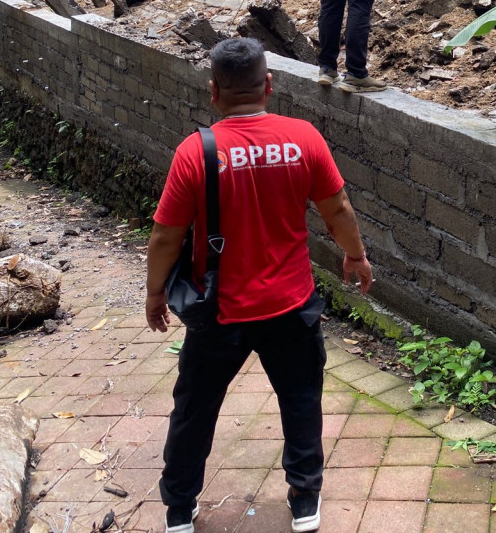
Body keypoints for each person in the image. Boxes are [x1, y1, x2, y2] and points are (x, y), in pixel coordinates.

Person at [146, 37, 373, 533]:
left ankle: (180, 510)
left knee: (194, 409)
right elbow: (337, 210)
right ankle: (305, 500)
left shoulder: (196, 152)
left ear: (213, 92)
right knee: (300, 399)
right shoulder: (303, 139)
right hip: (291, 306)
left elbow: (166, 235)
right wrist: (355, 256)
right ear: (269, 85)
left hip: (218, 311)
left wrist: (155, 291)